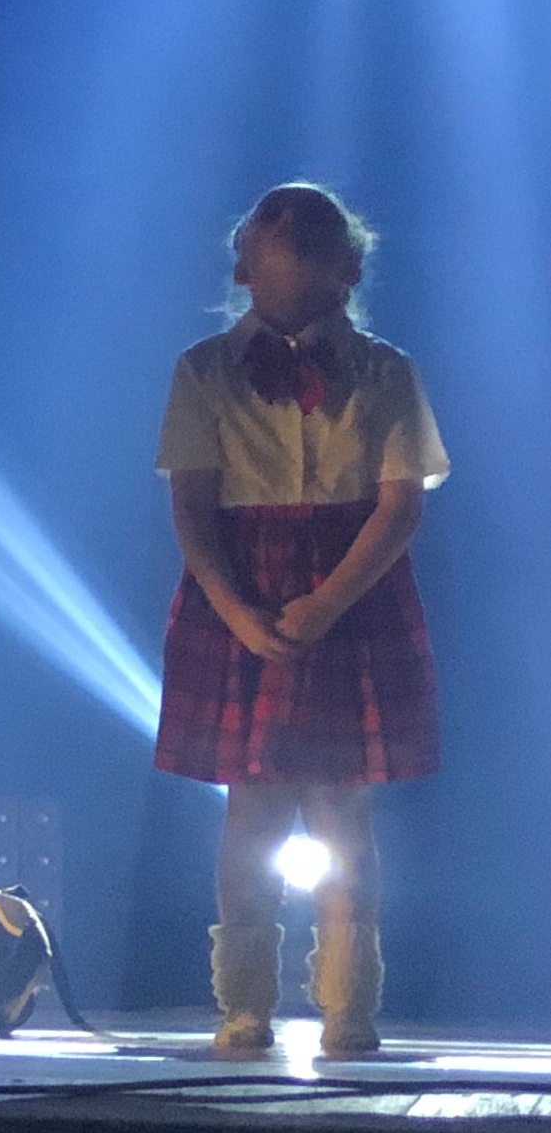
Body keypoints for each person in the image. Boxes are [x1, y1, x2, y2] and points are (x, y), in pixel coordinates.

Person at [157, 183, 442, 1060]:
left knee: (340, 804)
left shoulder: (385, 370)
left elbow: (398, 507)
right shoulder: (203, 369)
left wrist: (326, 600)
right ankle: (243, 1004)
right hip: (241, 586)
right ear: (242, 266)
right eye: (269, 233)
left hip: (351, 589)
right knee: (250, 806)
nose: (285, 240)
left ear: (345, 267)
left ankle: (347, 1004)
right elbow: (191, 508)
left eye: (306, 236)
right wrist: (237, 611)